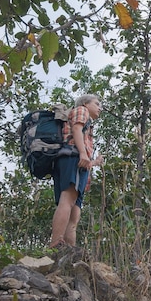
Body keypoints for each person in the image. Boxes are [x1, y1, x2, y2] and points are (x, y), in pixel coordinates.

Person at [49, 94, 104, 248]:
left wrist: (93, 162)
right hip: (72, 158)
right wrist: (82, 153)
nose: (100, 108)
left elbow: (83, 161)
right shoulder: (82, 110)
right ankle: (56, 243)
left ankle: (69, 251)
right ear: (86, 103)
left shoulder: (86, 119)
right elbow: (77, 128)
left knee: (75, 212)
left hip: (71, 161)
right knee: (67, 199)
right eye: (97, 103)